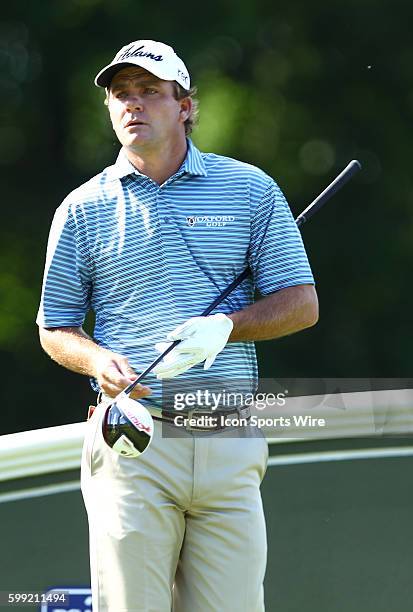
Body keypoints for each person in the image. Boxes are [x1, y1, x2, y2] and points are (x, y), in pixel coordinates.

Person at [37, 39, 318, 612]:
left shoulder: (250, 189)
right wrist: (97, 361)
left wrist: (225, 327)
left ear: (186, 106)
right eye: (121, 95)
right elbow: (55, 326)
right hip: (132, 439)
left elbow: (301, 303)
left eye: (150, 93)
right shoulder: (82, 208)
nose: (133, 105)